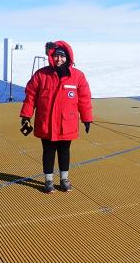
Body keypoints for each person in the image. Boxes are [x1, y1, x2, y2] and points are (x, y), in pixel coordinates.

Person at [20, 40, 93, 193]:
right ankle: (48, 181)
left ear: (68, 58)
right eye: (56, 56)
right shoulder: (41, 75)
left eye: (62, 56)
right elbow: (31, 95)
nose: (59, 59)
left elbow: (84, 99)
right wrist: (26, 115)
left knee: (64, 152)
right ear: (51, 57)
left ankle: (64, 179)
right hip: (46, 122)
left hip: (67, 123)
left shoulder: (77, 76)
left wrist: (86, 118)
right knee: (48, 151)